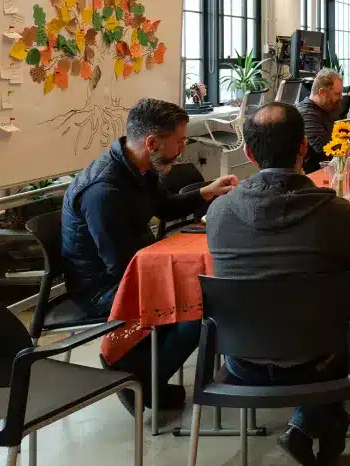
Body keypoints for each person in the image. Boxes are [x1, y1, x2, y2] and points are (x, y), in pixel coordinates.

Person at [206, 102, 350, 466]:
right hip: (319, 356)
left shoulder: (219, 212)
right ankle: (315, 421)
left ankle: (317, 423)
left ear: (249, 153)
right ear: (304, 147)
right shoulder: (337, 212)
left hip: (241, 359)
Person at [62, 99, 236, 413]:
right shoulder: (104, 189)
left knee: (200, 287)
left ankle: (139, 364)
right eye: (180, 142)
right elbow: (121, 265)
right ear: (152, 142)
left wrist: (206, 192)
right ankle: (141, 378)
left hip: (135, 264)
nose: (182, 149)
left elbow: (164, 205)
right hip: (102, 287)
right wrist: (172, 276)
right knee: (198, 302)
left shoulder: (140, 166)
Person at [297, 69, 344, 173]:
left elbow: (338, 140)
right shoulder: (306, 114)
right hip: (312, 176)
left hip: (331, 170)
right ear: (322, 92)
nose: (341, 98)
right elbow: (326, 150)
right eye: (337, 94)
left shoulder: (327, 108)